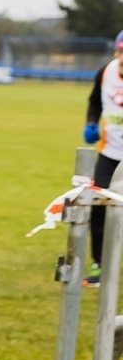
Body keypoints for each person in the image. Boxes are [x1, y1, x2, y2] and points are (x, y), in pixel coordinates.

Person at [82, 30, 123, 285]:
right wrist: (91, 123)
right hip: (109, 153)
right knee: (97, 209)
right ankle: (99, 264)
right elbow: (94, 102)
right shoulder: (105, 73)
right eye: (120, 52)